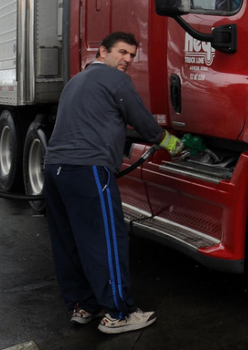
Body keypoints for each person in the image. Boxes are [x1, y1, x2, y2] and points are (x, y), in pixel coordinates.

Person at [43, 31, 184, 334]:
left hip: (55, 170)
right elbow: (144, 123)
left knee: (69, 241)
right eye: (122, 52)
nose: (127, 60)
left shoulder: (75, 82)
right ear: (102, 52)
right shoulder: (115, 80)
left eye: (132, 55)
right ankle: (118, 313)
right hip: (88, 169)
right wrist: (171, 143)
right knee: (105, 240)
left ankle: (85, 305)